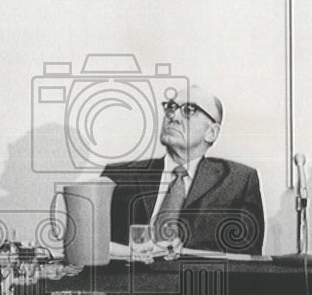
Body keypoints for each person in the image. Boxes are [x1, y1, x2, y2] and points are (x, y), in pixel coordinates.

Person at [102, 85, 265, 255]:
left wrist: (184, 252)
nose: (174, 116)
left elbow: (249, 257)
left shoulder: (238, 180)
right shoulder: (120, 176)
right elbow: (88, 243)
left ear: (212, 132)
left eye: (189, 110)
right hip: (128, 277)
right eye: (171, 107)